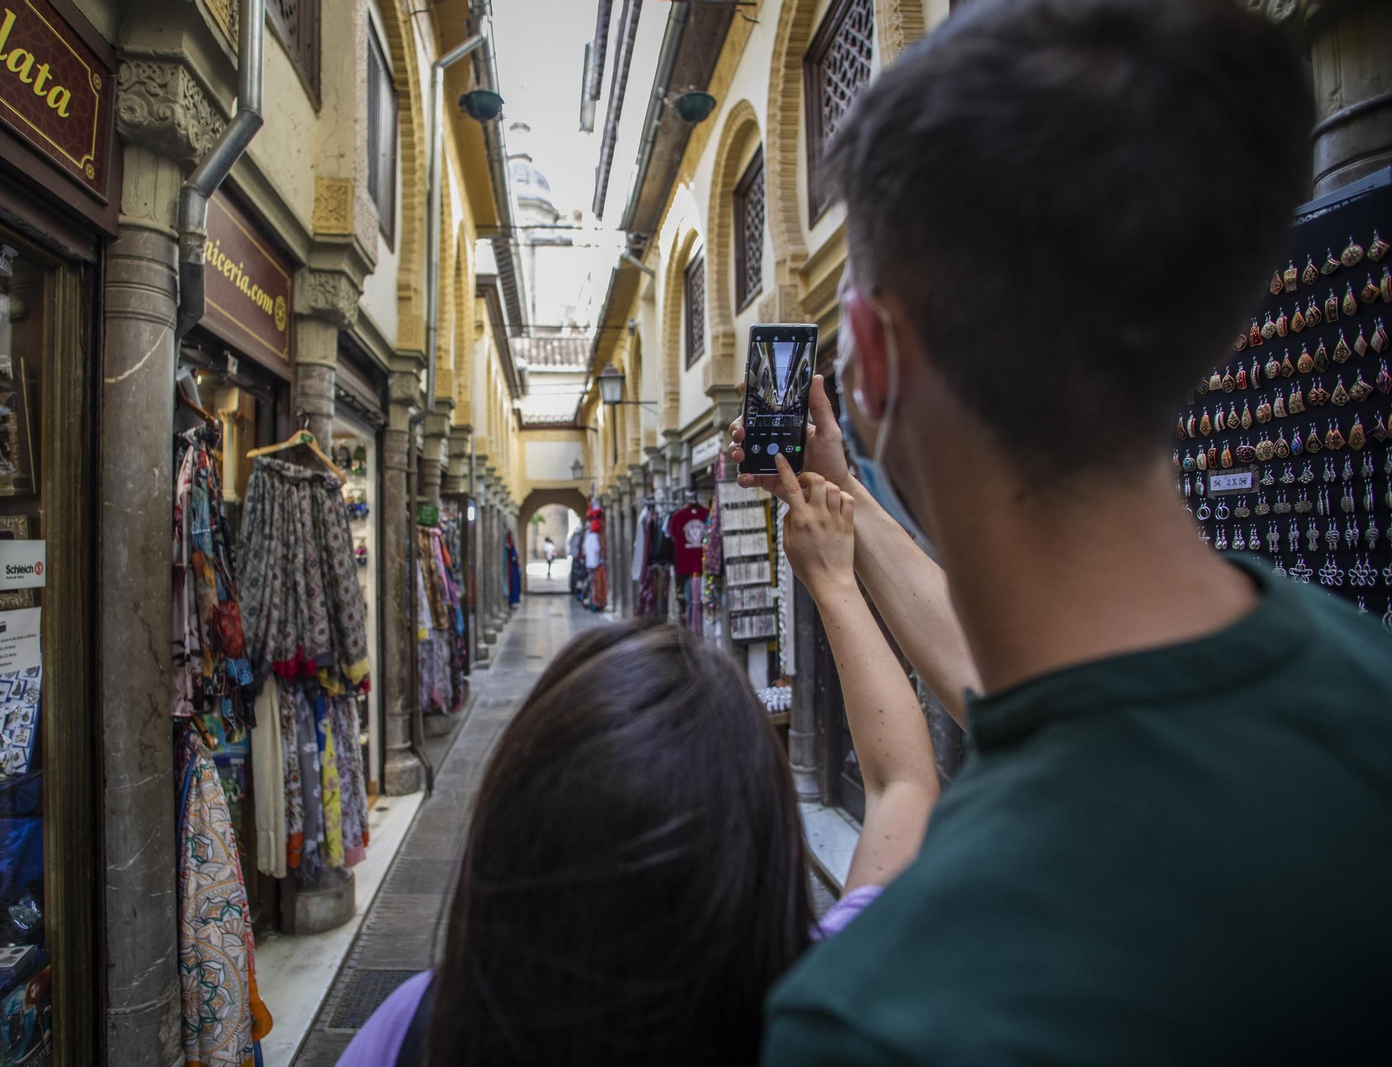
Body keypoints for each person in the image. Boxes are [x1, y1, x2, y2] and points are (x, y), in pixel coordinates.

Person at [738, 1, 1392, 1062]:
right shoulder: (1360, 688)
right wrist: (843, 513)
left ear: (866, 355)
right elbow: (1017, 683)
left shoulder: (877, 1012)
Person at [336, 460, 940, 1067]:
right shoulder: (821, 1006)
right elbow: (903, 784)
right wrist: (834, 579)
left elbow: (903, 785)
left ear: (515, 826)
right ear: (761, 844)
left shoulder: (419, 1026)